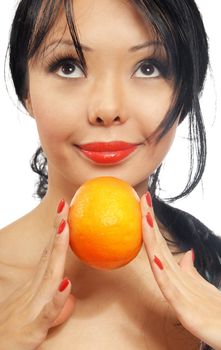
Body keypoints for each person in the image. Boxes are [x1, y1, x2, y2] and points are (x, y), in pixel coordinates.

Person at [0, 0, 220, 349]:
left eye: (148, 68)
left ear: (185, 92)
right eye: (69, 66)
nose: (107, 109)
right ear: (25, 89)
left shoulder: (215, 277)